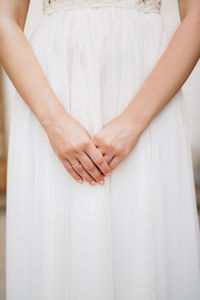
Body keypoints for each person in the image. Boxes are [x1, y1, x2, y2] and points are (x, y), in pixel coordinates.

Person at [0, 0, 200, 299]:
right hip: (54, 90)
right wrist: (53, 121)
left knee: (140, 241)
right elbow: (4, 18)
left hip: (148, 89)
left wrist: (134, 121)